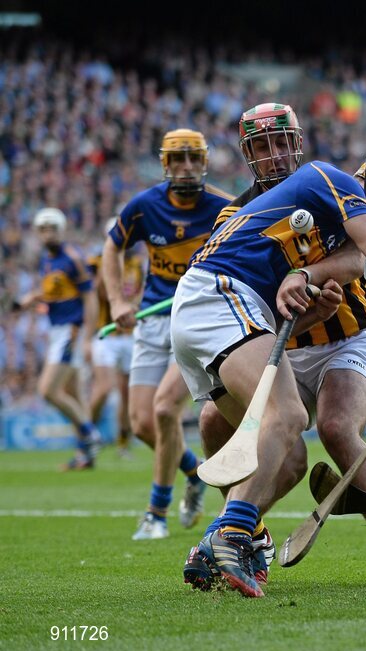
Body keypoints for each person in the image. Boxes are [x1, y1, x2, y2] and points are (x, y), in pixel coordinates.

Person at [173, 151, 366, 598]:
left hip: (341, 338)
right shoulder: (327, 182)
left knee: (308, 443)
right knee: (249, 420)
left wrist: (306, 283)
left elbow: (356, 265)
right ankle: (236, 533)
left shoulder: (339, 229)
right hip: (225, 300)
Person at [102, 129, 232, 540]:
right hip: (152, 318)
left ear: (205, 161)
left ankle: (155, 513)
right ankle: (195, 473)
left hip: (195, 320)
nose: (187, 167)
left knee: (163, 411)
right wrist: (118, 302)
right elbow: (112, 248)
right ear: (166, 164)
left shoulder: (224, 207)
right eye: (179, 160)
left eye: (194, 159)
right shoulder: (144, 206)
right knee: (141, 423)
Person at [18, 207, 99, 470]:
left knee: (48, 390)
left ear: (62, 230)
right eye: (43, 229)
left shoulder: (73, 257)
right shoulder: (47, 260)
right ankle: (84, 456)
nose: (48, 234)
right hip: (56, 330)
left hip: (70, 331)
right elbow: (55, 290)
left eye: (52, 228)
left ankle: (89, 434)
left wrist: (87, 336)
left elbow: (89, 298)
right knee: (73, 393)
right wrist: (34, 298)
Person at [87, 218, 144, 458]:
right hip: (106, 334)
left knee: (126, 393)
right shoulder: (97, 262)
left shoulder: (137, 264)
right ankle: (86, 436)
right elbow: (96, 294)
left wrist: (134, 303)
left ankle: (122, 443)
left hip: (129, 337)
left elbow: (140, 294)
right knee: (104, 388)